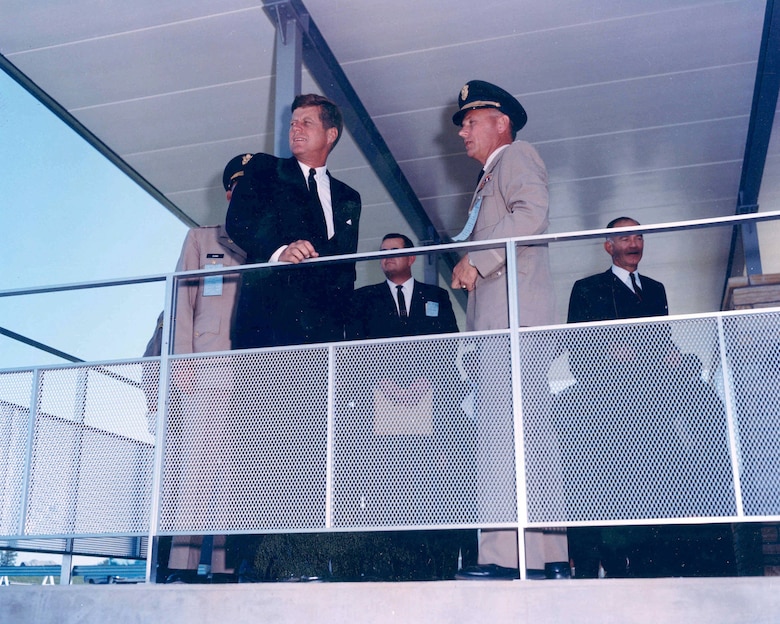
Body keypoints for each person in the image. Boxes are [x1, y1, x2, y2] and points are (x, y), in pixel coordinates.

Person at [447, 80, 566, 580]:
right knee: (530, 439)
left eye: (470, 122)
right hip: (505, 325)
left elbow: (532, 214)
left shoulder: (515, 156)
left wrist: (477, 259)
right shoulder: (489, 175)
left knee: (503, 438)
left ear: (502, 124)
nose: (462, 134)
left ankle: (503, 558)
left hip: (512, 325)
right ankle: (549, 557)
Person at [153, 154, 250, 583]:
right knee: (197, 470)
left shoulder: (268, 245)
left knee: (240, 473)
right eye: (239, 187)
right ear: (229, 193)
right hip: (205, 371)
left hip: (254, 374)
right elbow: (181, 306)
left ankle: (228, 566)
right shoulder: (201, 238)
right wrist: (182, 364)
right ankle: (182, 566)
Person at [226, 93, 362, 348]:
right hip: (268, 329)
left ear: (331, 135)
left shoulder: (349, 197)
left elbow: (346, 269)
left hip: (325, 336)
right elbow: (238, 221)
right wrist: (279, 251)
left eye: (306, 122)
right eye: (292, 123)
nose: (295, 128)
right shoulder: (264, 168)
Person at [347, 233, 458, 339]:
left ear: (411, 259)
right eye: (383, 252)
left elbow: (451, 339)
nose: (388, 256)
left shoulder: (436, 295)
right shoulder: (363, 297)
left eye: (395, 251)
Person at [567, 216, 668, 323]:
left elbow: (664, 336)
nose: (634, 245)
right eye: (625, 239)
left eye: (638, 238)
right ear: (609, 247)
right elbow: (575, 337)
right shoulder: (587, 288)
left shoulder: (655, 288)